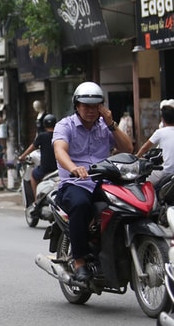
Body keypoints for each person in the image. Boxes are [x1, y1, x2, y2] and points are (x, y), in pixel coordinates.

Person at [53, 81, 133, 283]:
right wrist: (73, 168)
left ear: (102, 107)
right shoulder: (65, 125)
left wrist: (112, 124)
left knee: (128, 203)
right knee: (80, 205)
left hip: (104, 182)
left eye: (95, 106)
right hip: (75, 183)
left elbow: (128, 149)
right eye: (86, 106)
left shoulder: (105, 127)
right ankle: (79, 260)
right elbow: (60, 150)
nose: (90, 111)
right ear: (77, 106)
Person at [18, 113, 58, 197]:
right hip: (58, 168)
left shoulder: (42, 136)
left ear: (44, 124)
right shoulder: (59, 135)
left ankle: (36, 199)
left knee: (33, 175)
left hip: (46, 169)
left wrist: (22, 156)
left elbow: (31, 147)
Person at [135, 104, 174, 188]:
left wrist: (136, 157)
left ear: (162, 119)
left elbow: (145, 147)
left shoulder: (160, 132)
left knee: (140, 182)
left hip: (166, 171)